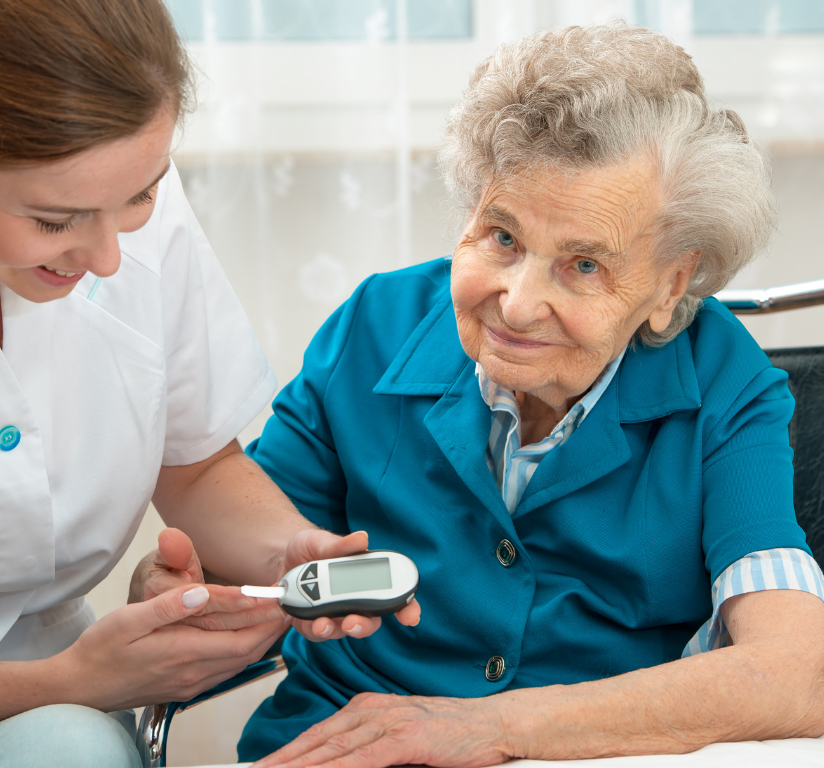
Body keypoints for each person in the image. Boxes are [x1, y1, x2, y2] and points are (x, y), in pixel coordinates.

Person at [0, 1, 418, 767]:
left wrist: (284, 554)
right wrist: (75, 679)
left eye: (141, 196)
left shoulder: (118, 199)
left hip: (53, 714)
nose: (107, 258)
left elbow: (195, 466)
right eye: (55, 221)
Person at [221, 22, 824, 766]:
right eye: (502, 238)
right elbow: (251, 558)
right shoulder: (375, 326)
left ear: (670, 285)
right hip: (341, 743)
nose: (514, 304)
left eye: (582, 265)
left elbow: (796, 673)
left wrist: (494, 729)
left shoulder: (724, 383)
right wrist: (193, 592)